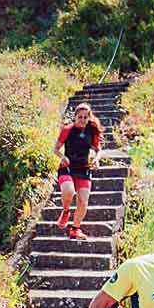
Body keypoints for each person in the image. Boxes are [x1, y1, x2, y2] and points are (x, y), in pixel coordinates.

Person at [52, 103, 103, 240]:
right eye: (79, 117)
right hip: (67, 168)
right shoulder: (67, 129)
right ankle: (66, 211)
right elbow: (55, 149)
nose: (82, 119)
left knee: (83, 200)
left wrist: (97, 159)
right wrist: (62, 157)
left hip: (84, 169)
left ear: (88, 118)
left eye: (85, 117)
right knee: (69, 191)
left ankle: (75, 229)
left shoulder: (91, 132)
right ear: (75, 117)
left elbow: (98, 150)